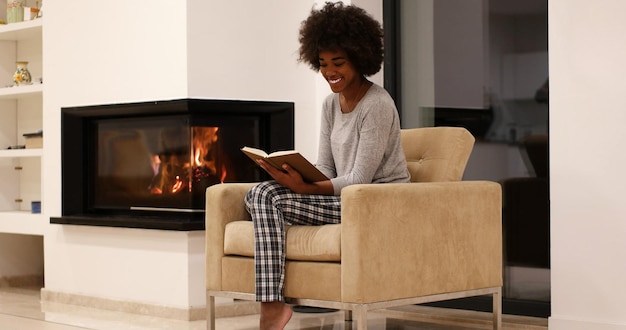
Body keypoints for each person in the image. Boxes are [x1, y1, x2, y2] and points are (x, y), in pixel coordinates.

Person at [244, 2, 410, 329]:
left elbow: (361, 179)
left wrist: (305, 189)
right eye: (322, 64)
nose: (330, 72)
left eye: (339, 63)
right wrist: (293, 175)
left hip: (375, 202)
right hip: (343, 197)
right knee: (258, 192)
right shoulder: (330, 104)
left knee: (266, 198)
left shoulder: (376, 104)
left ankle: (273, 308)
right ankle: (273, 305)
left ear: (360, 59)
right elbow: (326, 167)